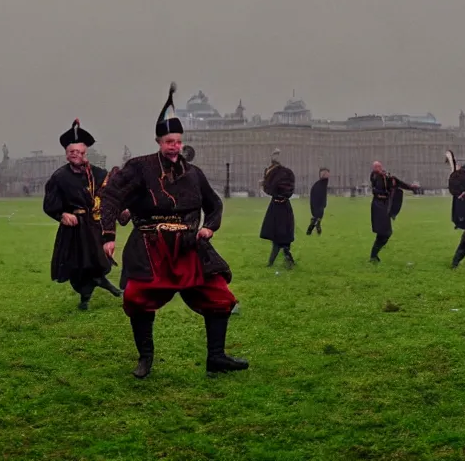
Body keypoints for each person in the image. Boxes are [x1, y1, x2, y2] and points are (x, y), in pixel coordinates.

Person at [100, 82, 248, 379]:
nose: (174, 147)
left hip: (189, 246)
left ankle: (216, 358)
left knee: (219, 296)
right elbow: (112, 195)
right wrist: (108, 234)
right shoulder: (139, 167)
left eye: (178, 142)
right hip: (150, 247)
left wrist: (209, 228)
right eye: (169, 142)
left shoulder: (193, 173)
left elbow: (214, 203)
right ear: (159, 141)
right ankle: (145, 359)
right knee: (136, 298)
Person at [43, 119, 122, 310]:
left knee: (96, 260)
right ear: (67, 154)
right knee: (78, 265)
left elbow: (111, 196)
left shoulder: (98, 174)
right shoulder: (59, 177)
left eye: (80, 152)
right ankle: (89, 295)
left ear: (85, 153)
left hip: (94, 225)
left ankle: (98, 288)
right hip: (74, 229)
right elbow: (49, 204)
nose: (76, 155)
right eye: (72, 152)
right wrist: (62, 214)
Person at [368, 161, 420, 263]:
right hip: (378, 206)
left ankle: (373, 256)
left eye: (379, 166)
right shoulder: (375, 177)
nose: (378, 168)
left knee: (384, 233)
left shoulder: (387, 177)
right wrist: (383, 176)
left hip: (385, 206)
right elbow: (376, 181)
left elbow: (398, 183)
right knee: (384, 233)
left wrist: (411, 187)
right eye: (375, 167)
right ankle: (373, 255)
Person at [259, 148, 297, 268]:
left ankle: (281, 260)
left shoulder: (284, 173)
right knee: (279, 234)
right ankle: (282, 260)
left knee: (282, 235)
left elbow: (282, 188)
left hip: (281, 205)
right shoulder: (272, 172)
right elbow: (269, 188)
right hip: (277, 205)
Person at [306, 168, 330, 236]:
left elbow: (323, 194)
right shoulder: (319, 185)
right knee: (317, 216)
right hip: (317, 203)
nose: (328, 175)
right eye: (326, 173)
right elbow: (317, 195)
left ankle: (316, 228)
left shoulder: (323, 184)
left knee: (318, 217)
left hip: (320, 203)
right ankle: (310, 230)